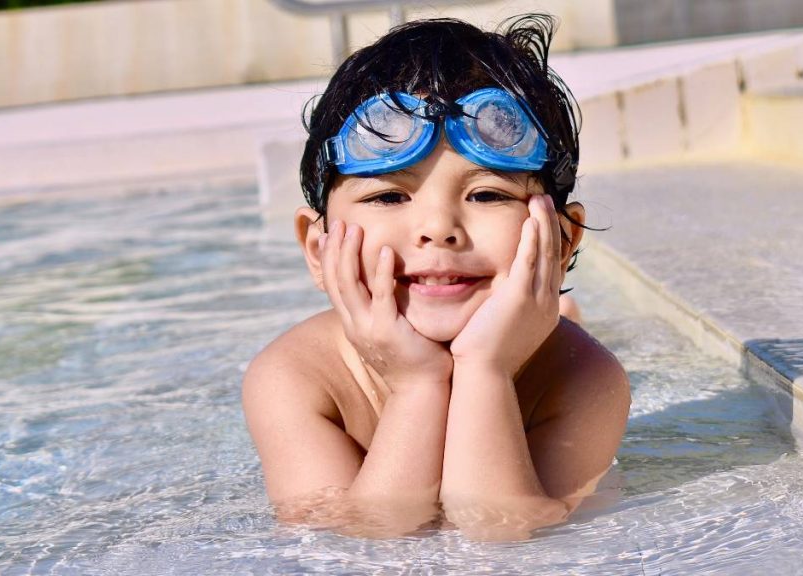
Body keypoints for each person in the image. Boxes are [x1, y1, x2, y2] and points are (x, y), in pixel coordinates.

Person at [243, 14, 630, 540]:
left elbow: (502, 534)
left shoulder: (584, 378)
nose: (438, 229)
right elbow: (357, 544)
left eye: (488, 194)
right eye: (388, 196)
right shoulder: (296, 378)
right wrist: (417, 385)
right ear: (318, 247)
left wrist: (486, 369)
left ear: (562, 240)